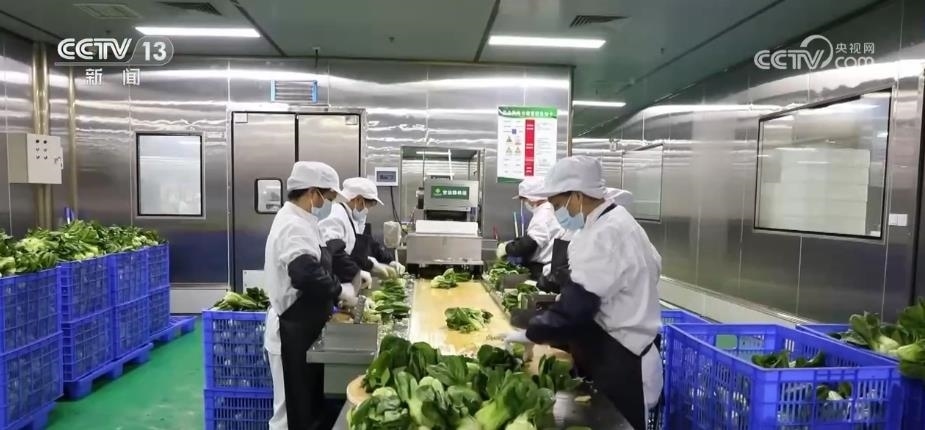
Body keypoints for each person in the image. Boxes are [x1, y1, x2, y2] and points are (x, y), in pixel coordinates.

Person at [503, 156, 662, 430]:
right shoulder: (618, 221)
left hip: (626, 362)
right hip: (624, 353)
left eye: (557, 205)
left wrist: (533, 332)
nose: (556, 212)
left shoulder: (606, 233)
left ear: (576, 195)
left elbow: (578, 308)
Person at [264, 161, 360, 430]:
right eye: (326, 196)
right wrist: (340, 290)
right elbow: (304, 272)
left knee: (305, 407)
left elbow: (319, 263)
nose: (327, 203)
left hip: (304, 327)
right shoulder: (292, 224)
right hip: (290, 328)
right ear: (311, 192)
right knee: (289, 413)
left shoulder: (305, 221)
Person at [320, 177, 405, 295]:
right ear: (359, 200)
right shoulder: (335, 216)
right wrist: (356, 273)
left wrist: (387, 261)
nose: (367, 210)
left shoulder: (351, 216)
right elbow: (334, 253)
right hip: (333, 282)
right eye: (368, 206)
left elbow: (364, 244)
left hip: (343, 280)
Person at [495, 177, 563, 281]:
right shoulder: (545, 211)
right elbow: (532, 237)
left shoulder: (543, 214)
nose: (524, 203)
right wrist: (513, 243)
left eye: (524, 199)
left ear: (533, 198)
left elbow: (529, 244)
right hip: (543, 267)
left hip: (540, 270)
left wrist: (506, 248)